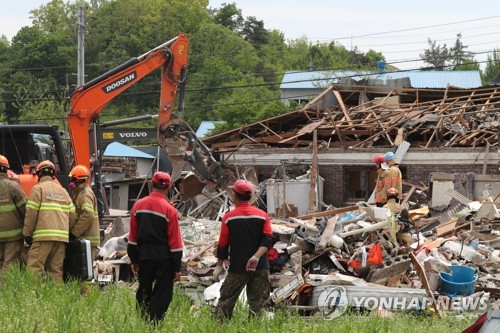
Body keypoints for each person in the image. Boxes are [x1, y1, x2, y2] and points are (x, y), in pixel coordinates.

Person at [127, 171, 183, 322]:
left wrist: (134, 260)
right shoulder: (170, 210)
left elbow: (132, 237)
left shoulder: (138, 205)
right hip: (164, 256)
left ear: (151, 185)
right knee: (163, 291)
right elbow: (175, 242)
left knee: (144, 288)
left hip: (144, 254)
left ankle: (143, 321)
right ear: (169, 188)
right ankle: (155, 323)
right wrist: (177, 268)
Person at [213, 179, 273, 320]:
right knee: (258, 303)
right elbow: (268, 239)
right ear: (251, 196)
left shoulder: (228, 218)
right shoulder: (262, 216)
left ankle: (219, 327)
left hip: (238, 267)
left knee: (226, 300)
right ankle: (255, 328)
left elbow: (223, 244)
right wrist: (256, 257)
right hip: (260, 266)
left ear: (234, 195)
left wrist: (218, 266)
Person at [23, 160, 76, 282]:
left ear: (39, 174)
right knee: (56, 270)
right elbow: (72, 215)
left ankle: (34, 297)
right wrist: (66, 231)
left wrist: (27, 233)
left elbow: (31, 214)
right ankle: (57, 298)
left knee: (35, 268)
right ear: (53, 175)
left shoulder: (38, 189)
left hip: (43, 237)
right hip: (61, 239)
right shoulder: (63, 191)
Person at [0, 154, 27, 271]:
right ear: (6, 169)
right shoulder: (12, 186)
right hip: (13, 236)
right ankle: (5, 289)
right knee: (9, 265)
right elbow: (26, 209)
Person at [68, 165, 100, 259]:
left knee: (85, 271)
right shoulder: (80, 193)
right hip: (85, 238)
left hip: (87, 239)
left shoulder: (84, 195)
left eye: (72, 179)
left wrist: (74, 232)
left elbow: (88, 214)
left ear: (78, 180)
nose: (71, 182)